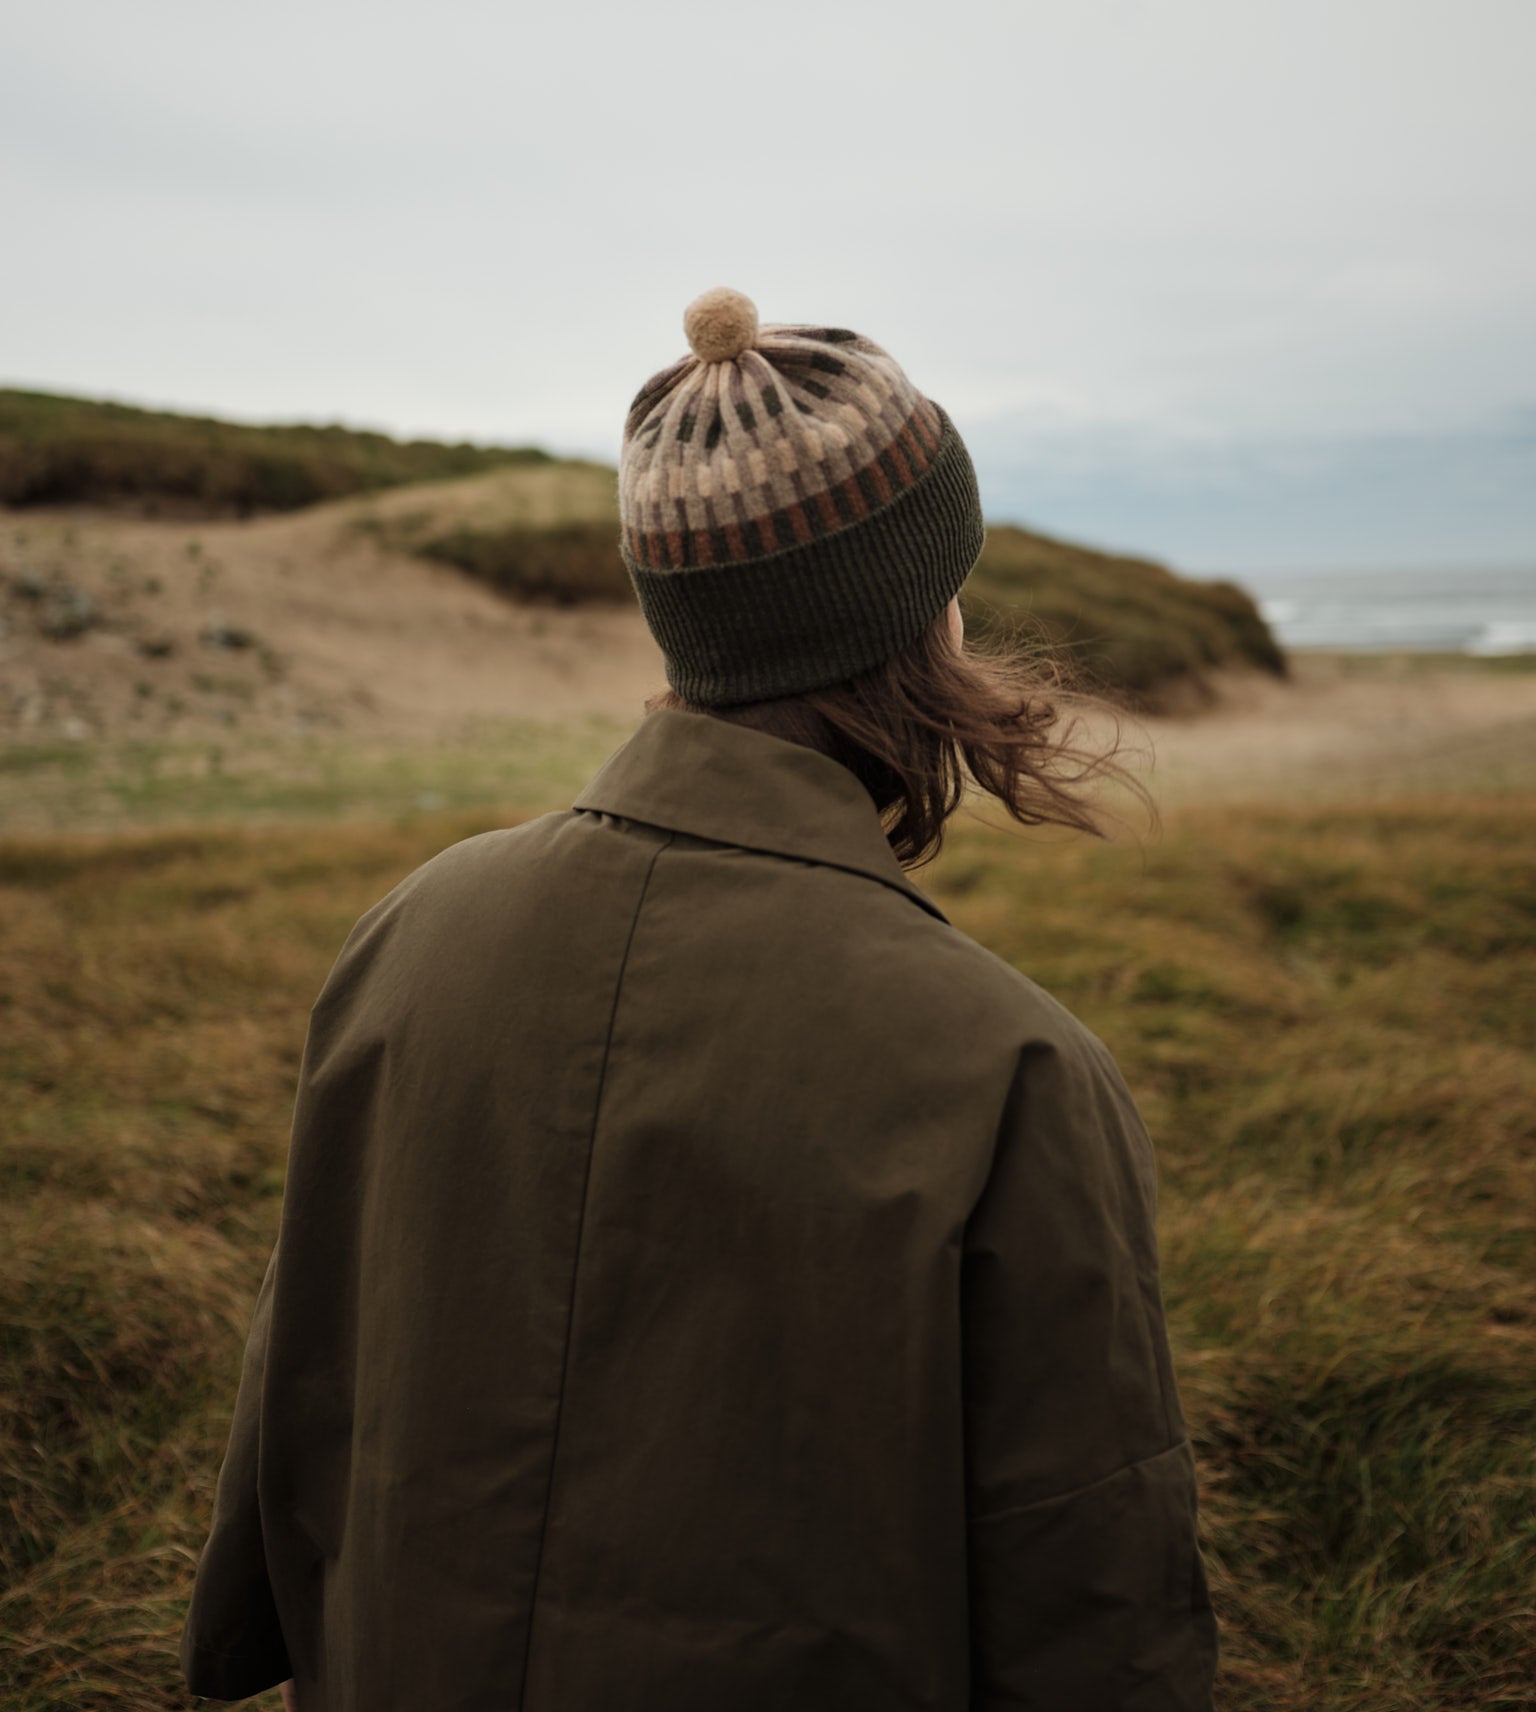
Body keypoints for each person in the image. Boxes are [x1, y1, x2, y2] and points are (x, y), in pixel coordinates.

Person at [182, 288, 1218, 1710]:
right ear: (917, 612)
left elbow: (300, 1386)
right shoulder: (1011, 1065)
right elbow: (1089, 1589)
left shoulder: (409, 934)